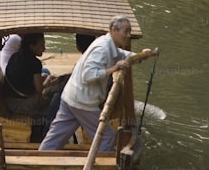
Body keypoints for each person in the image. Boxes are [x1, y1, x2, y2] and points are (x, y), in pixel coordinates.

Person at [38, 17, 155, 152]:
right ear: (113, 30)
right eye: (126, 31)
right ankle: (100, 169)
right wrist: (114, 68)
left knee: (55, 137)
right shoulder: (102, 48)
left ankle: (38, 160)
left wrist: (141, 56)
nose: (129, 35)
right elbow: (88, 75)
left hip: (70, 97)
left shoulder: (108, 44)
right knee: (107, 137)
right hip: (83, 102)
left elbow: (122, 55)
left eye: (130, 31)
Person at [1, 33, 62, 142]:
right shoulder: (35, 63)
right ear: (31, 46)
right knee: (56, 98)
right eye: (41, 44)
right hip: (21, 104)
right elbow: (40, 90)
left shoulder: (15, 56)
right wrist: (48, 82)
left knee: (46, 77)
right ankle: (46, 132)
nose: (44, 48)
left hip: (9, 101)